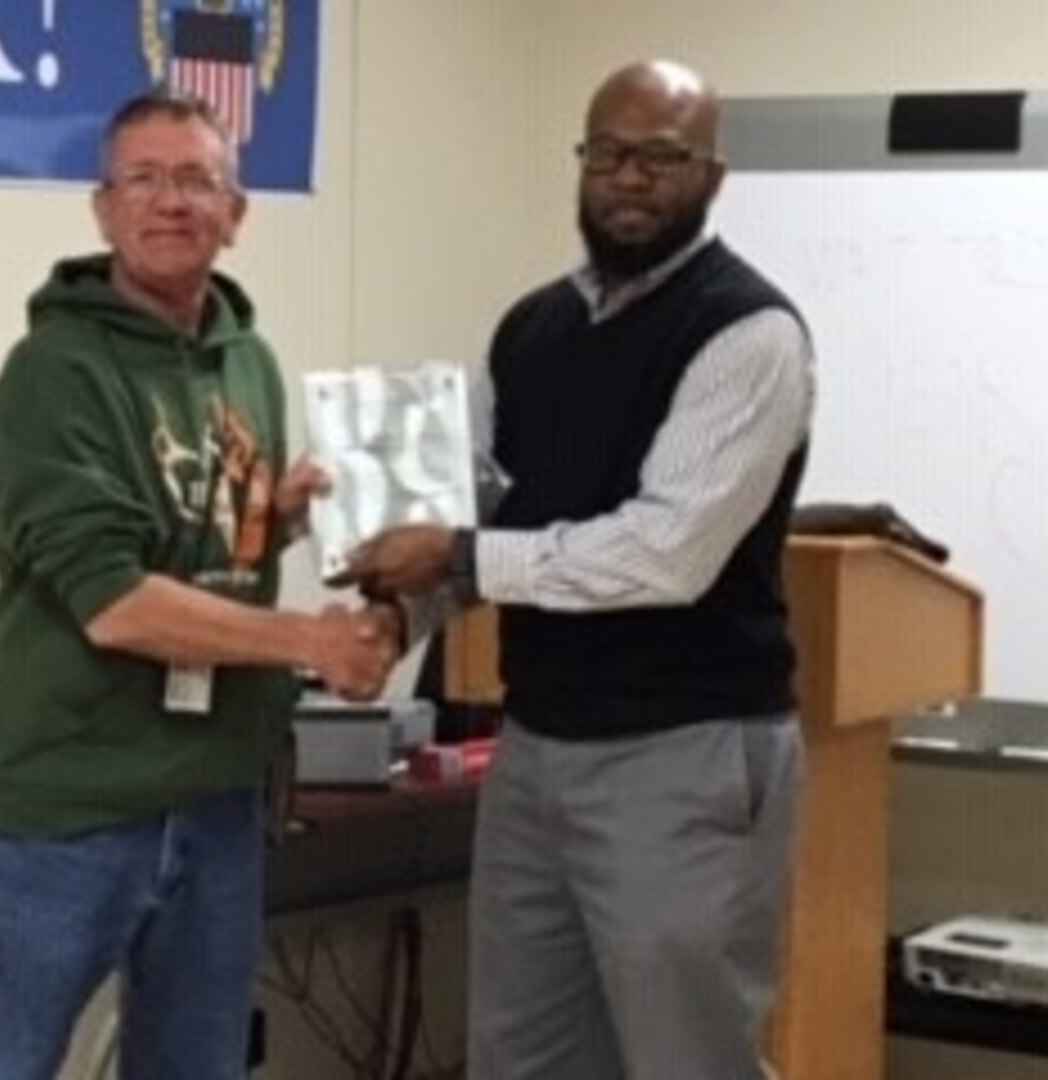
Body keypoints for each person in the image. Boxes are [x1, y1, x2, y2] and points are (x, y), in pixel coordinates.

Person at [339, 60, 815, 1080]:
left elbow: (664, 551)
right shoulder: (531, 328)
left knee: (687, 1057)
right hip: (538, 749)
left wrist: (460, 555)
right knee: (523, 1055)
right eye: (608, 153)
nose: (630, 178)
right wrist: (392, 619)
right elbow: (476, 505)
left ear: (714, 176)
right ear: (584, 163)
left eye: (661, 157)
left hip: (684, 754)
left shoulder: (748, 334)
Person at [0, 93, 398, 1080]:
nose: (171, 203)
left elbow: (204, 545)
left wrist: (280, 516)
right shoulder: (54, 373)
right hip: (68, 808)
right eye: (143, 179)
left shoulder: (250, 366)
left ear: (236, 213)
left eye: (197, 180)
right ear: (103, 209)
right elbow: (115, 603)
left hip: (216, 799)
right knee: (3, 1064)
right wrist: (311, 644)